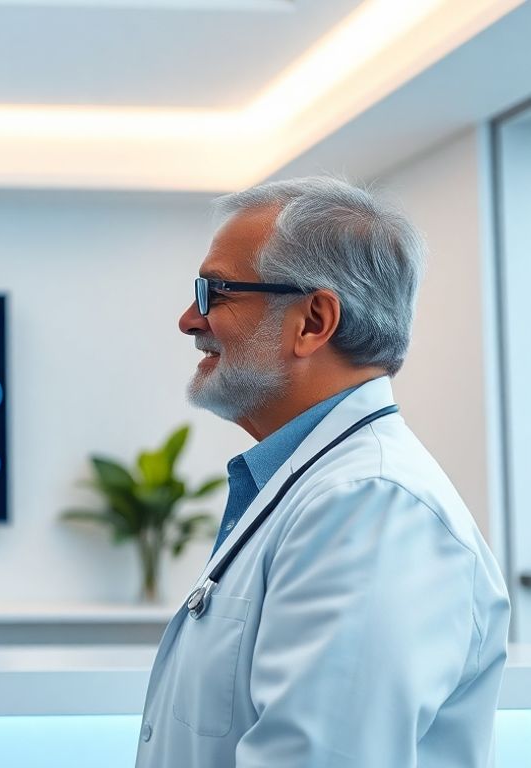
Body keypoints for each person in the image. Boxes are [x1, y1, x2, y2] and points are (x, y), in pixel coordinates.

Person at [136, 176, 509, 767]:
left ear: (313, 320)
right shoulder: (324, 491)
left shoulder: (370, 506)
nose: (188, 319)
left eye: (214, 293)